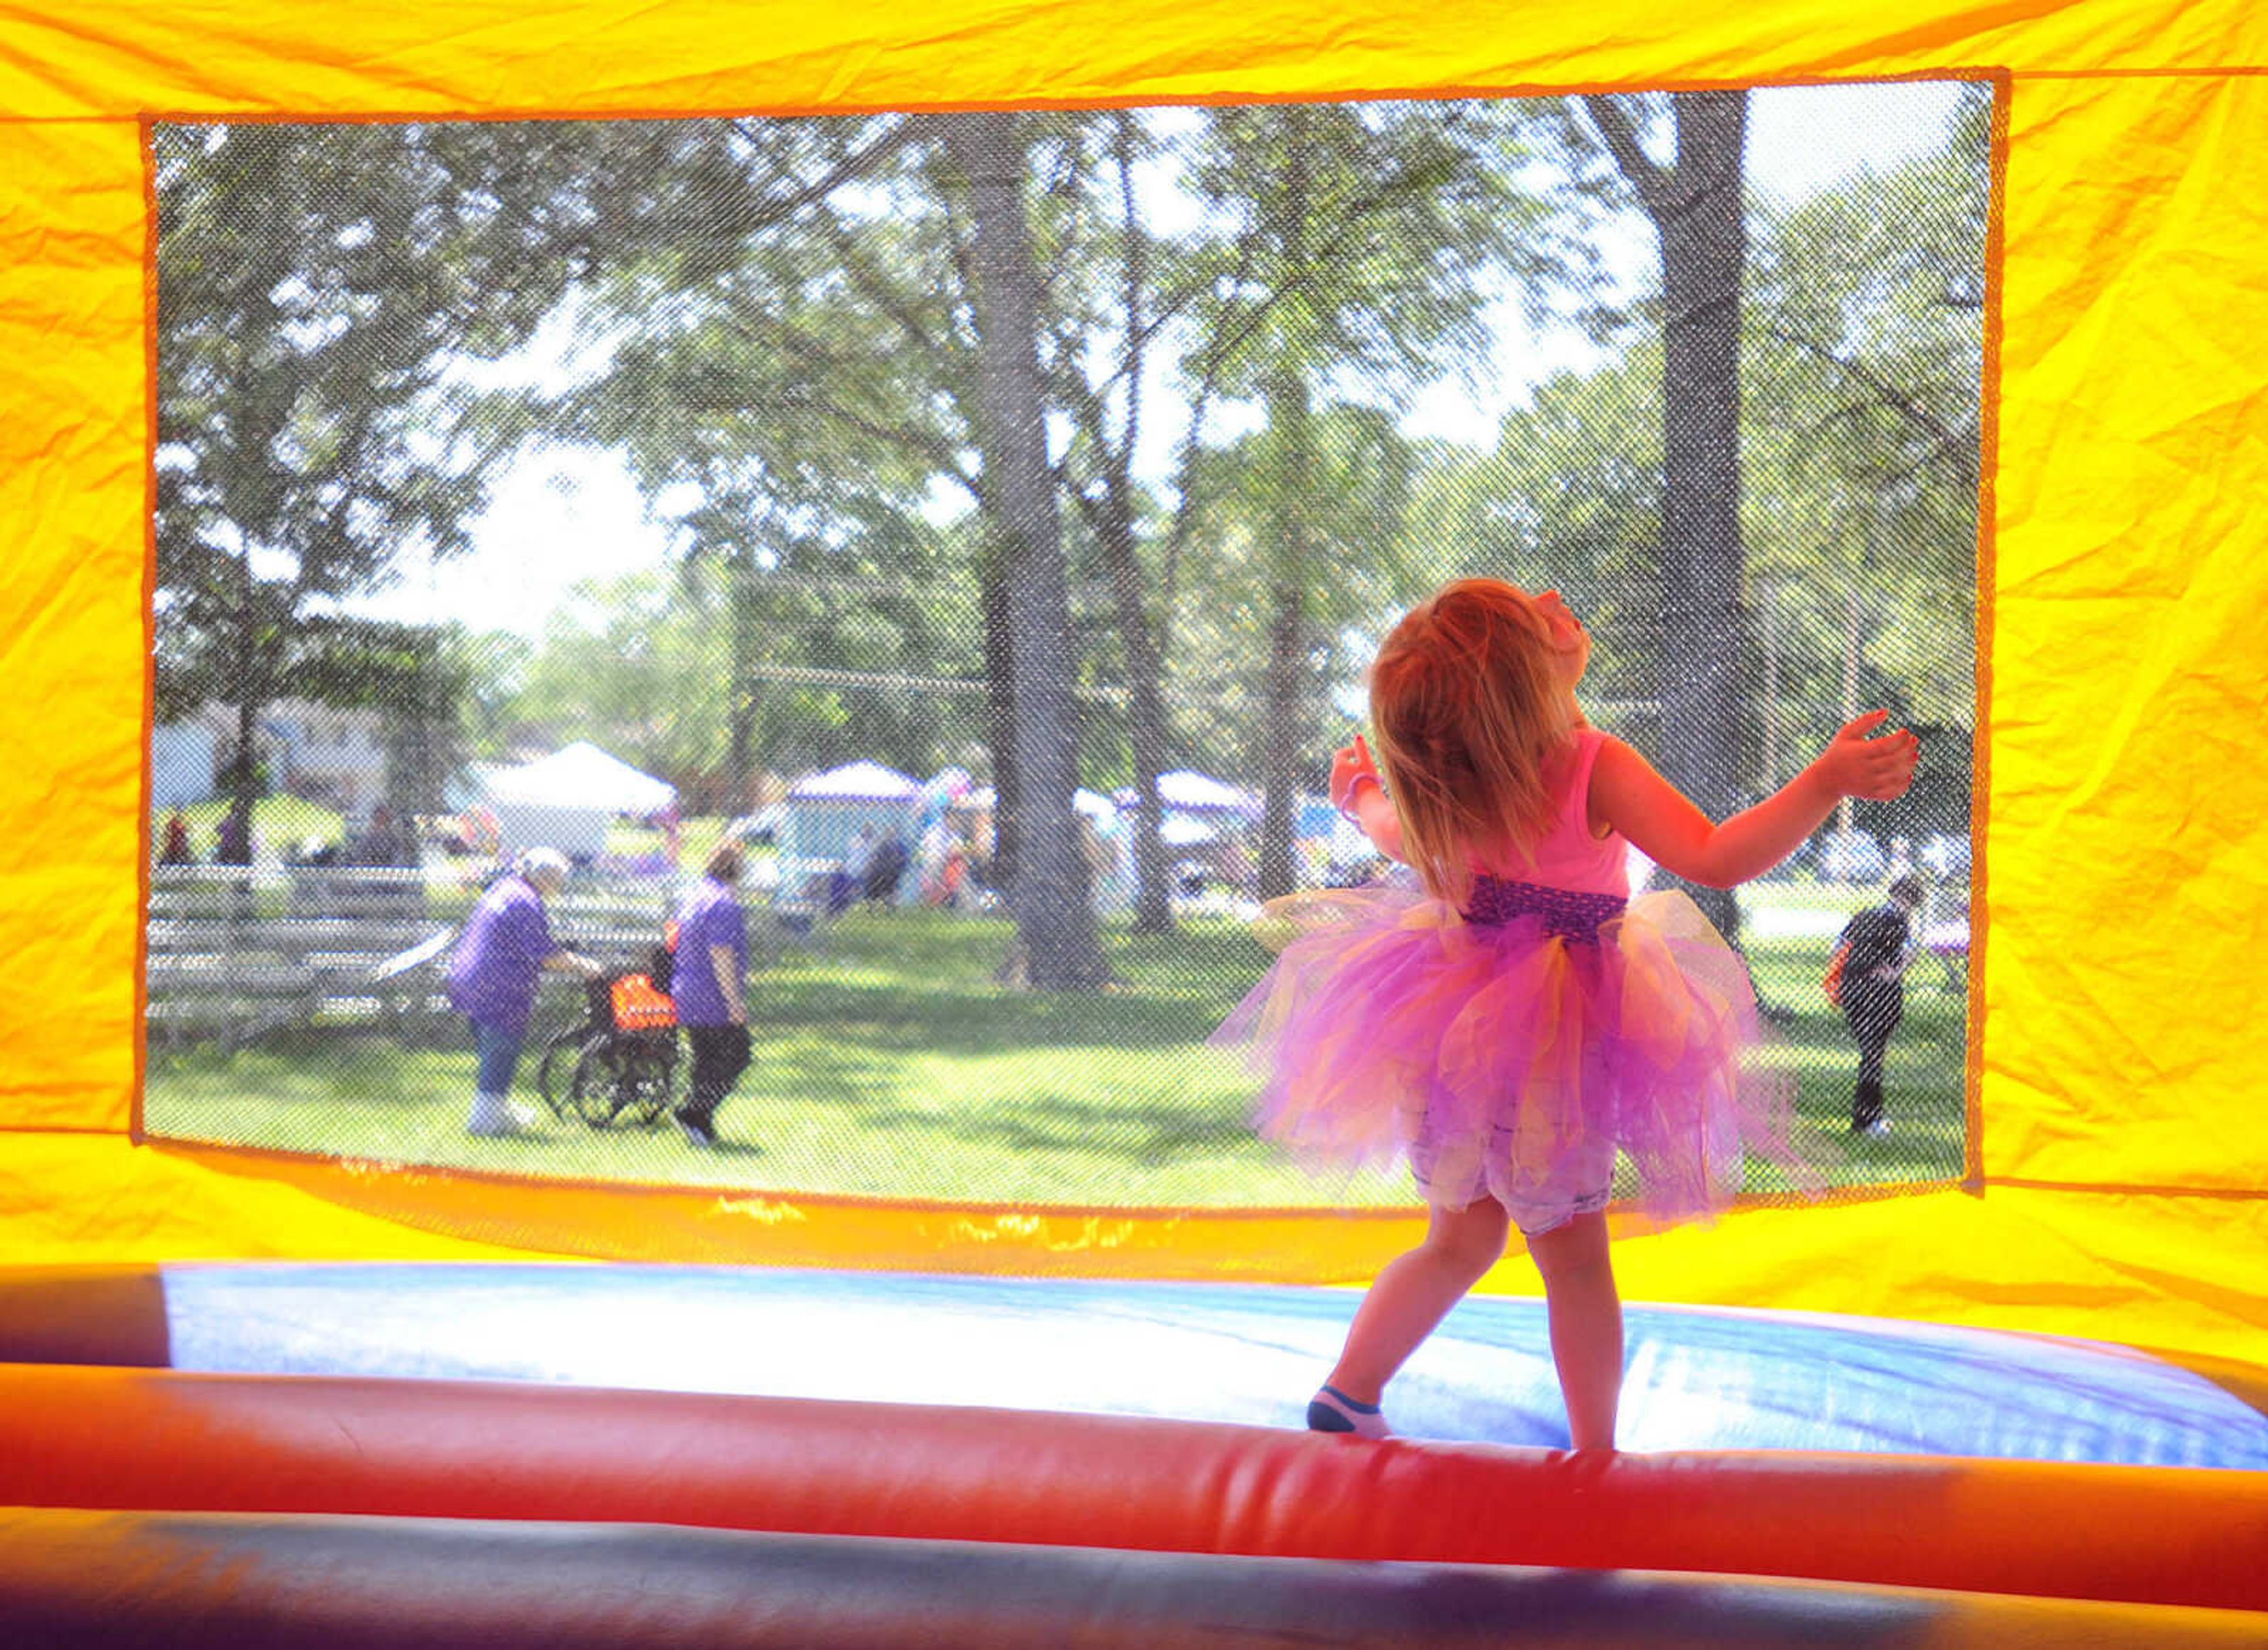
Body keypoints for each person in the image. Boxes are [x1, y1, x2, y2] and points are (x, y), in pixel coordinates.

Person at [1211, 578, 1918, 1452]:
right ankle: (1595, 1455)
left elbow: (1395, 831)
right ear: (1527, 680)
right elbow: (1718, 855)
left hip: (1446, 1031)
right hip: (1553, 1043)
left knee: (1459, 1237)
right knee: (1575, 1259)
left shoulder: (1456, 770)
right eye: (1535, 612)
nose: (1556, 598)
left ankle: (1350, 1390)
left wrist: (1359, 796)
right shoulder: (1593, 763)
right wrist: (1823, 781)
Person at [445, 847, 603, 1137]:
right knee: (502, 1046)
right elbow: (545, 955)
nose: (559, 885)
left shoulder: (505, 888)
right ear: (544, 877)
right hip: (497, 984)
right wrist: (585, 966)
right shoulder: (526, 902)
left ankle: (496, 1106)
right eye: (557, 879)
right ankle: (485, 1119)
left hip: (469, 977)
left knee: (493, 1046)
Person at [670, 841, 751, 1147]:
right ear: (736, 870)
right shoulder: (723, 904)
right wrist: (734, 1002)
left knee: (707, 1058)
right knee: (737, 1053)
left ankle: (701, 1124)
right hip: (711, 995)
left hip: (687, 989)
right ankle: (694, 1112)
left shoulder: (695, 896)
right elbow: (720, 953)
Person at [1837, 873, 1925, 1137]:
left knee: (1868, 1052)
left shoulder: (1864, 915)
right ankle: (1867, 1120)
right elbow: (1911, 953)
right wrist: (1894, 973)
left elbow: (1838, 946)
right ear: (1912, 902)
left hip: (1851, 989)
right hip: (1880, 994)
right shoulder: (1901, 922)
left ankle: (1866, 1118)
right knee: (1874, 1056)